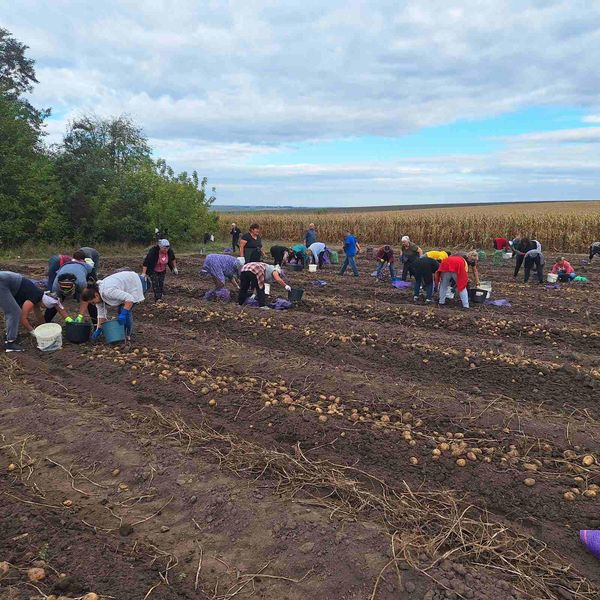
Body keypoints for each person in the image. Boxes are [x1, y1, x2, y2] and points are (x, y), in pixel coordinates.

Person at [0, 271, 68, 352]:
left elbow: (39, 316)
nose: (43, 308)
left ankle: (9, 335)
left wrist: (45, 329)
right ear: (44, 303)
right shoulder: (35, 297)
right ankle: (10, 343)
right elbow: (23, 318)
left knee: (11, 309)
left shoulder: (37, 296)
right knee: (14, 311)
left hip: (7, 282)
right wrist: (33, 332)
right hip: (3, 282)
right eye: (45, 307)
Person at [82, 271, 149, 342]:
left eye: (92, 302)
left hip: (136, 282)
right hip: (126, 285)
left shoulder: (108, 291)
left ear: (96, 295)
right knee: (122, 309)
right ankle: (124, 334)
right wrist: (99, 329)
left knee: (123, 310)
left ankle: (126, 336)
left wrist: (123, 313)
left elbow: (130, 299)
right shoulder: (98, 296)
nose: (93, 304)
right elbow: (101, 315)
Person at [47, 251, 95, 323]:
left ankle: (96, 324)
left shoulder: (81, 282)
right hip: (65, 266)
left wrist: (80, 316)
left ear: (74, 285)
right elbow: (56, 302)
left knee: (90, 298)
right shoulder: (55, 285)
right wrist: (67, 318)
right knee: (52, 302)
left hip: (82, 268)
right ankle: (45, 322)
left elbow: (85, 298)